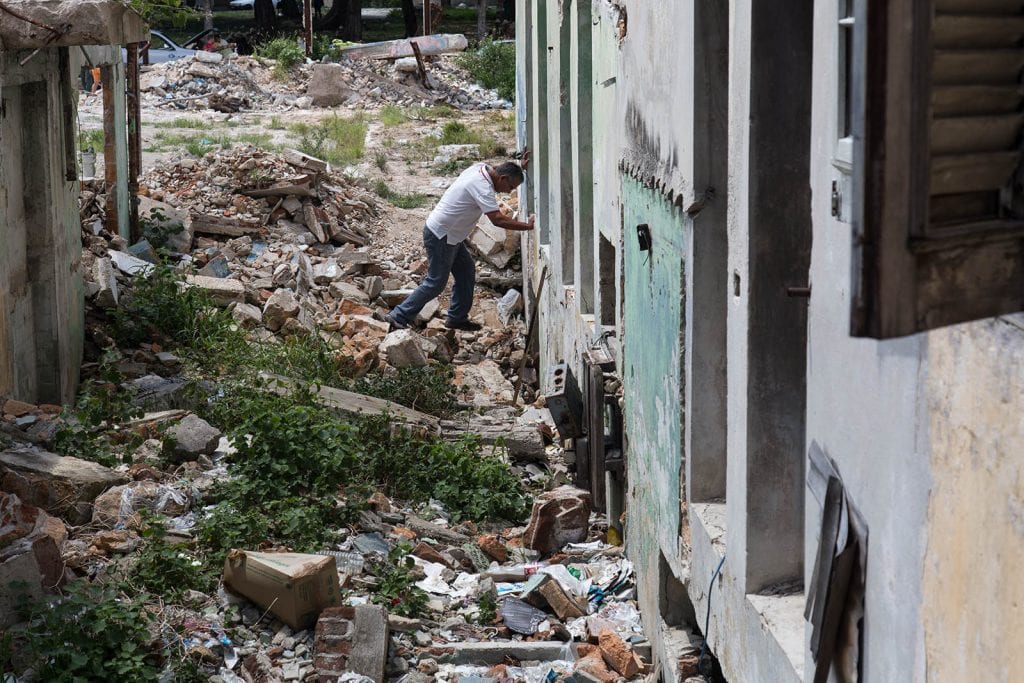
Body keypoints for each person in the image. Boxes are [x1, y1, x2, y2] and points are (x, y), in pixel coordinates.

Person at [387, 153, 535, 332]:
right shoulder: (482, 187)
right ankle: (398, 316)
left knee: (466, 272)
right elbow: (498, 220)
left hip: (451, 236)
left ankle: (457, 318)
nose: (508, 192)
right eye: (510, 186)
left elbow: (501, 167)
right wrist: (527, 226)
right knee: (435, 283)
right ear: (502, 178)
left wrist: (518, 166)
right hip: (441, 235)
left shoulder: (480, 168)